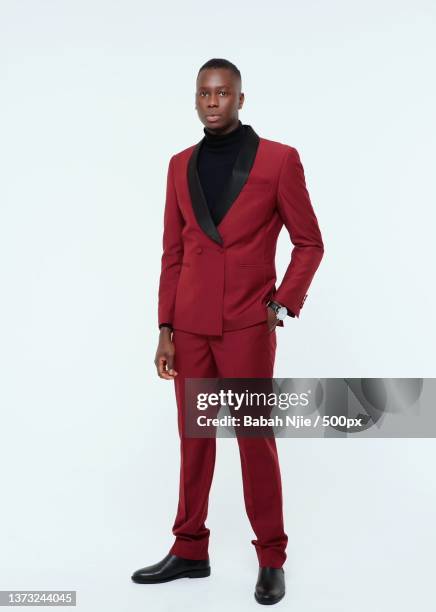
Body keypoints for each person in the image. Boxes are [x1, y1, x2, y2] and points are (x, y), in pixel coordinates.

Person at [131, 58, 324, 605]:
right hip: (190, 330)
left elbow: (310, 242)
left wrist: (282, 303)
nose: (212, 102)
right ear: (195, 100)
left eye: (222, 93)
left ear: (241, 99)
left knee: (254, 442)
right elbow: (172, 252)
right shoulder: (177, 166)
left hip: (245, 326)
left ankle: (271, 557)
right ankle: (190, 548)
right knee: (194, 442)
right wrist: (165, 327)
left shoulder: (279, 161)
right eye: (204, 94)